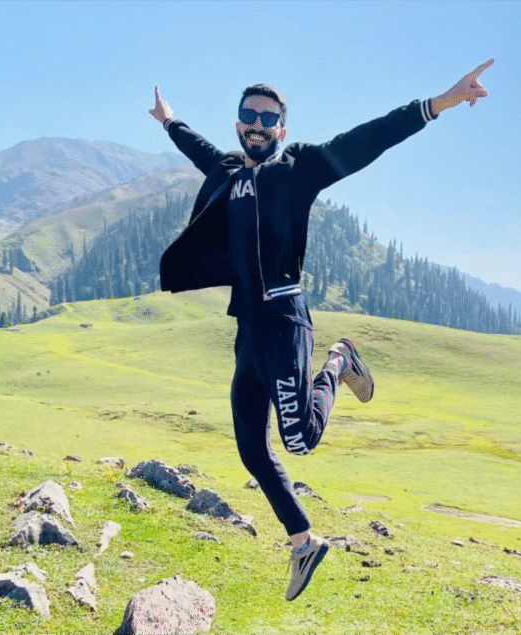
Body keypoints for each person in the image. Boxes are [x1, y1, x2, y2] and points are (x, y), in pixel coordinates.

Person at [150, 59, 494, 601]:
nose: (257, 125)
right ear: (238, 123)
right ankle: (304, 542)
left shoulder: (300, 169)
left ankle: (341, 360)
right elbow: (193, 146)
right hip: (247, 329)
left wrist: (442, 102)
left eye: (268, 118)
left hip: (286, 323)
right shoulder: (226, 170)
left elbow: (368, 139)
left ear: (281, 129)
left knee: (300, 440)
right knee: (250, 448)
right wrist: (168, 121)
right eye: (248, 115)